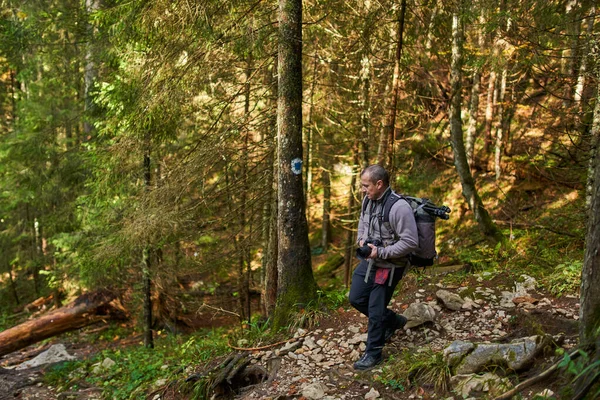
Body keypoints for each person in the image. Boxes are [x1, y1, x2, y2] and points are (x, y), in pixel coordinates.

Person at [349, 164, 419, 370]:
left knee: (375, 308)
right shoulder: (368, 200)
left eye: (366, 185)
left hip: (389, 265)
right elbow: (363, 222)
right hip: (370, 260)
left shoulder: (399, 208)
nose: (363, 189)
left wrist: (381, 252)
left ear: (379, 184)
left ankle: (373, 354)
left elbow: (410, 242)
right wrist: (362, 241)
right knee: (356, 298)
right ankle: (394, 321)